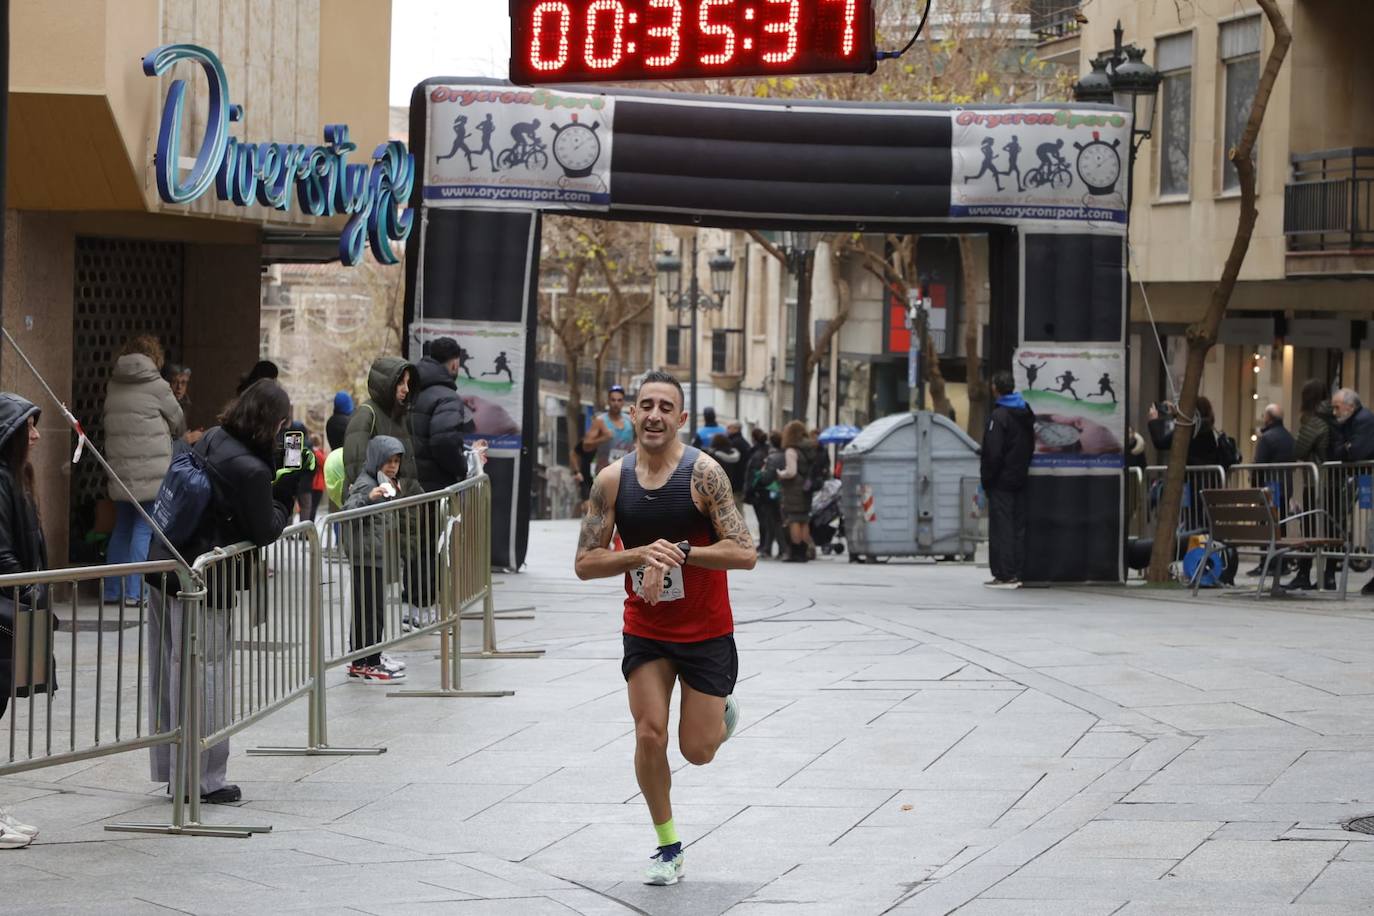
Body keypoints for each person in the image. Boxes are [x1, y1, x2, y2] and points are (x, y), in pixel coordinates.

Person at [572, 370, 755, 887]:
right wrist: (637, 553)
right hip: (647, 629)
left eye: (665, 407)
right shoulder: (611, 480)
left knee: (696, 751)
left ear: (681, 418)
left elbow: (745, 553)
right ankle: (668, 845)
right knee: (650, 733)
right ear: (631, 414)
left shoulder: (705, 475)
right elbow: (585, 563)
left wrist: (681, 553)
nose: (654, 414)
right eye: (645, 405)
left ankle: (721, 715)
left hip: (706, 631)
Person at [146, 379, 303, 805]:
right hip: (202, 581)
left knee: (170, 671)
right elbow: (266, 527)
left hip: (164, 564)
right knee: (206, 672)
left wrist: (280, 461)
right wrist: (288, 484)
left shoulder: (215, 437)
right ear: (275, 423)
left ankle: (173, 771)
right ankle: (204, 779)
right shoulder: (251, 472)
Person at [343, 357, 427, 627]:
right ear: (386, 383)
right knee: (370, 591)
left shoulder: (398, 416)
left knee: (382, 588)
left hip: (397, 511)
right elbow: (357, 465)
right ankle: (367, 656)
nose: (405, 389)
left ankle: (374, 654)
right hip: (376, 514)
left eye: (407, 383)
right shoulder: (367, 414)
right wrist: (380, 494)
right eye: (400, 383)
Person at [102, 336, 185, 607]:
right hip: (152, 471)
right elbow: (178, 419)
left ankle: (113, 590)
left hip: (120, 470)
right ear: (154, 357)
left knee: (122, 526)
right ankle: (135, 593)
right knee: (144, 528)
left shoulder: (114, 384)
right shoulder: (157, 386)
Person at [0, 394, 46, 848]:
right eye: (28, 427)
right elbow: (3, 556)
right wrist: (31, 595)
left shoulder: (16, 478)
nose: (35, 435)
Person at [342, 435, 409, 683]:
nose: (392, 466)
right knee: (368, 611)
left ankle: (372, 657)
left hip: (375, 554)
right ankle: (363, 662)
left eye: (396, 461)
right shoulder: (365, 483)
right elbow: (348, 511)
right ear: (376, 460)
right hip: (366, 555)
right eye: (388, 461)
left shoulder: (382, 481)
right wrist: (368, 498)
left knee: (375, 610)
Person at [981, 371, 1036, 588]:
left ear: (995, 388)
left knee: (1001, 526)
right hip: (1020, 477)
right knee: (1018, 526)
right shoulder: (1024, 413)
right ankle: (1018, 570)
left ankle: (1004, 573)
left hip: (1001, 480)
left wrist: (987, 478)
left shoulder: (999, 416)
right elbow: (1030, 445)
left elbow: (993, 453)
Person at [411, 337, 482, 493]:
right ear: (455, 364)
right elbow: (444, 441)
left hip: (407, 489)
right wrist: (463, 467)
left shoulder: (409, 390)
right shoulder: (448, 398)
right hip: (435, 490)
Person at [1287, 380, 1336, 591]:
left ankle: (1304, 572)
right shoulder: (1333, 416)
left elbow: (1298, 449)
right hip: (1334, 481)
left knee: (1308, 527)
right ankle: (1330, 575)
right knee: (1332, 528)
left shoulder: (1314, 420)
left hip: (1317, 482)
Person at [1247, 404, 1296, 579]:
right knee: (1280, 527)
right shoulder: (1289, 437)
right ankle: (1279, 563)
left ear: (1268, 418)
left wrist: (1254, 486)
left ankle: (1265, 563)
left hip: (1268, 488)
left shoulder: (1267, 438)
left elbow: (1260, 464)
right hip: (1284, 488)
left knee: (1265, 527)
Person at [1147, 396, 1238, 469]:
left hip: (1192, 483)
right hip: (1211, 482)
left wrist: (1153, 421)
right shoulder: (1209, 430)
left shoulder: (1190, 431)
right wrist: (1176, 414)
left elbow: (1160, 443)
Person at [776, 421, 813, 563]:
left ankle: (796, 552)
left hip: (794, 489)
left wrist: (781, 473)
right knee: (804, 520)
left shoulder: (791, 450)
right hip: (807, 487)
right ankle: (804, 552)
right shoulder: (810, 447)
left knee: (794, 520)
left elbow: (791, 472)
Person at [582, 385, 635, 475]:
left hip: (625, 473)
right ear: (608, 401)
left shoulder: (630, 421)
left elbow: (638, 441)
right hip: (604, 473)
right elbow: (586, 446)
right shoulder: (600, 421)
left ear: (623, 402)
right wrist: (603, 438)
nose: (616, 403)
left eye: (619, 400)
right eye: (613, 400)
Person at [724, 422, 751, 506]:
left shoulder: (733, 443)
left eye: (729, 428)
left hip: (735, 480)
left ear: (736, 429)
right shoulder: (744, 442)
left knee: (735, 506)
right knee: (739, 505)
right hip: (742, 479)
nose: (727, 430)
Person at [307, 434, 327, 521]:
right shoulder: (318, 453)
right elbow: (324, 464)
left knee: (308, 507)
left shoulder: (308, 452)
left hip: (309, 483)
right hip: (317, 484)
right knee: (313, 507)